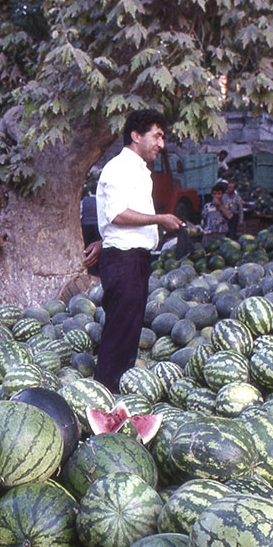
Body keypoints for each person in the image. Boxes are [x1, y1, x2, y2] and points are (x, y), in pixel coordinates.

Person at [94, 108, 183, 392]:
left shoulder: (138, 170)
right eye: (156, 136)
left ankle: (117, 395)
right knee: (120, 335)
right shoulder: (120, 168)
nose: (161, 144)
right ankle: (107, 395)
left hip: (133, 259)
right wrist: (160, 219)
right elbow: (117, 214)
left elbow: (112, 218)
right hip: (124, 261)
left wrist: (103, 240)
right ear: (136, 136)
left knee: (127, 333)